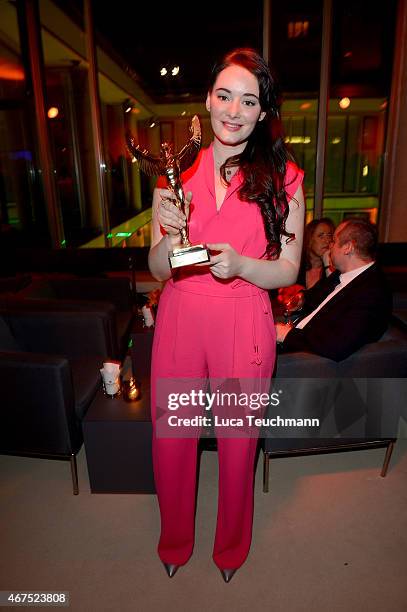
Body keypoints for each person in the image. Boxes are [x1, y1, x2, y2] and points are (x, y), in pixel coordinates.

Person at [148, 48, 305, 582]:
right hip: (180, 317)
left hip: (244, 321)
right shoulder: (174, 173)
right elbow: (158, 267)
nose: (234, 110)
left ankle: (231, 549)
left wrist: (241, 266)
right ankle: (174, 541)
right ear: (207, 101)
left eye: (249, 100)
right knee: (172, 439)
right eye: (224, 95)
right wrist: (168, 236)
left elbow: (287, 270)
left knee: (238, 447)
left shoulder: (284, 178)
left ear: (263, 112)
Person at [275, 218, 392, 361]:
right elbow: (313, 297)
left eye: (334, 241)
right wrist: (301, 299)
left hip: (306, 362)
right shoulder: (342, 274)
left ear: (348, 247)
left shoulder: (372, 292)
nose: (330, 246)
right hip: (296, 340)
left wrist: (286, 334)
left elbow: (336, 345)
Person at [276, 217, 335, 311]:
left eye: (329, 235)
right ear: (309, 239)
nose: (327, 240)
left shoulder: (333, 270)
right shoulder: (296, 266)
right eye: (321, 236)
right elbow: (280, 297)